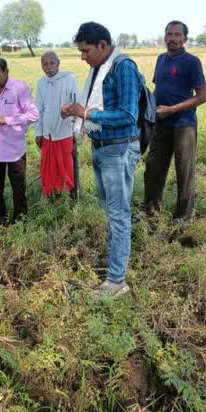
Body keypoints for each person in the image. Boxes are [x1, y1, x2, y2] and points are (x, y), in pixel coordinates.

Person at [61, 22, 142, 298]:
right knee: (110, 211)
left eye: (86, 51)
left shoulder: (123, 67)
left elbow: (128, 115)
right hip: (102, 147)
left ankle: (116, 281)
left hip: (119, 150)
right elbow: (94, 108)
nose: (83, 57)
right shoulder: (99, 69)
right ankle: (114, 264)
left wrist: (87, 114)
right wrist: (76, 112)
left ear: (103, 46)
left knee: (118, 214)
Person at [144, 20, 206, 222]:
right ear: (165, 37)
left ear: (185, 39)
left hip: (184, 124)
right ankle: (151, 211)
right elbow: (159, 89)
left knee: (184, 171)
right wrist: (149, 108)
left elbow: (202, 96)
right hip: (161, 123)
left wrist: (171, 110)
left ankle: (183, 217)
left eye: (177, 35)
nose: (172, 38)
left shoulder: (192, 62)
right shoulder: (161, 59)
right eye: (169, 34)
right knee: (153, 167)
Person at [0, 58, 39, 225]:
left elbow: (33, 115)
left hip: (15, 151)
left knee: (18, 190)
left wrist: (7, 120)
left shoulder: (20, 88)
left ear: (6, 72)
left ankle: (20, 221)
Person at [33, 51, 81, 200]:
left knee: (66, 165)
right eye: (45, 64)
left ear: (58, 63)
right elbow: (38, 109)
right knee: (49, 166)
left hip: (65, 130)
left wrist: (75, 129)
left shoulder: (69, 78)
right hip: (48, 132)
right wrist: (38, 132)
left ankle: (70, 194)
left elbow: (76, 103)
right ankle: (51, 194)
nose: (49, 67)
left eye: (52, 63)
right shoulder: (41, 82)